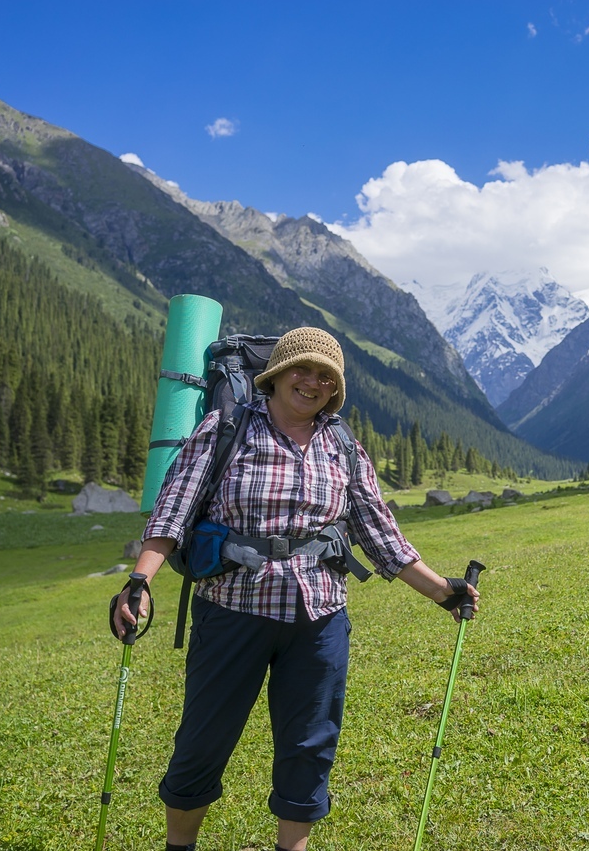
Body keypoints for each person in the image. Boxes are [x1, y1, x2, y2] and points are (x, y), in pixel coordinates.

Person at [112, 326, 480, 851]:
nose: (312, 383)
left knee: (310, 747)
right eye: (302, 369)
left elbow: (380, 535)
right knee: (202, 743)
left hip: (320, 620)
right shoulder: (228, 427)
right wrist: (141, 580)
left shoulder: (342, 445)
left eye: (326, 377)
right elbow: (174, 510)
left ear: (336, 389)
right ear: (277, 373)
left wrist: (444, 591)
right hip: (232, 613)